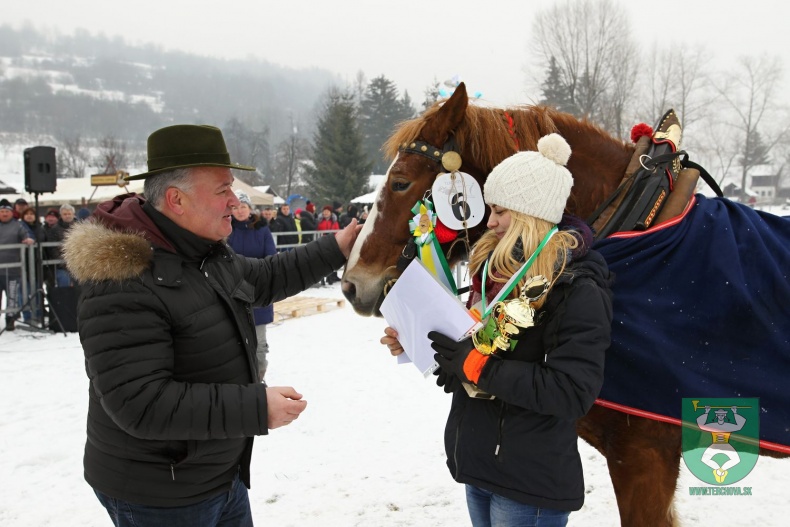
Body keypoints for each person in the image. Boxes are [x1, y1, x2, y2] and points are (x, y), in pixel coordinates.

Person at [61, 124, 361, 526]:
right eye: (222, 190)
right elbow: (142, 403)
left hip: (217, 474)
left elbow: (263, 278)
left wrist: (336, 247)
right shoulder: (123, 281)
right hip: (160, 493)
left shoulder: (200, 252)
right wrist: (256, 407)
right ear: (176, 199)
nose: (235, 202)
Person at [380, 134, 613, 527]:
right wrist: (420, 341)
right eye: (490, 209)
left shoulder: (577, 287)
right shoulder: (489, 274)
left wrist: (476, 367)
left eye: (500, 211)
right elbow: (478, 349)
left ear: (528, 214)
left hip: (529, 481)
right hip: (480, 464)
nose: (490, 222)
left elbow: (572, 391)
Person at [227, 190, 277, 380]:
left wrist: (265, 280)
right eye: (236, 207)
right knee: (234, 342)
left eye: (244, 207)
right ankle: (240, 380)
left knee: (259, 345)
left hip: (258, 291)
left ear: (250, 209)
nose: (240, 211)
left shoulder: (262, 229)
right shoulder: (225, 229)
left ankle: (258, 378)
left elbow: (271, 257)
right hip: (232, 291)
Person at [0, 198, 34, 330]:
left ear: (11, 212)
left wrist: (29, 240)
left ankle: (10, 320)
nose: (4, 214)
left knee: (12, 297)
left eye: (6, 211)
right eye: (2, 211)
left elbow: (27, 235)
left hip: (13, 270)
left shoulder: (18, 225)